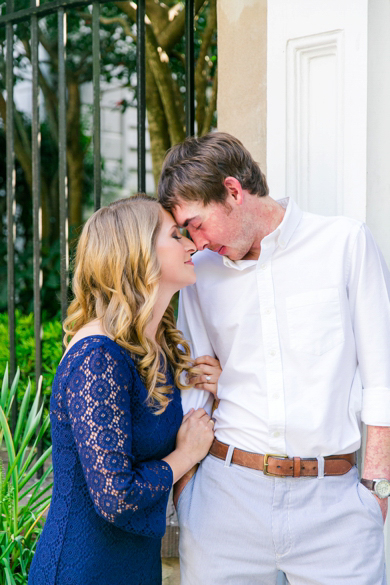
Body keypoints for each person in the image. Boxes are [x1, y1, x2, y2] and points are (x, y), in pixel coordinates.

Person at [158, 132, 390, 585]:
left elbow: (382, 379)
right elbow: (194, 387)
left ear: (232, 190)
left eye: (197, 224)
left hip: (335, 507)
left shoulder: (344, 244)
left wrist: (376, 490)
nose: (196, 242)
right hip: (224, 505)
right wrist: (188, 494)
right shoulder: (200, 273)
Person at [28, 195, 222, 585]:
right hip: (84, 569)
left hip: (133, 566)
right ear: (139, 256)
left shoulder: (152, 349)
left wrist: (211, 388)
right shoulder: (97, 357)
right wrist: (185, 454)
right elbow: (116, 495)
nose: (191, 245)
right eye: (174, 235)